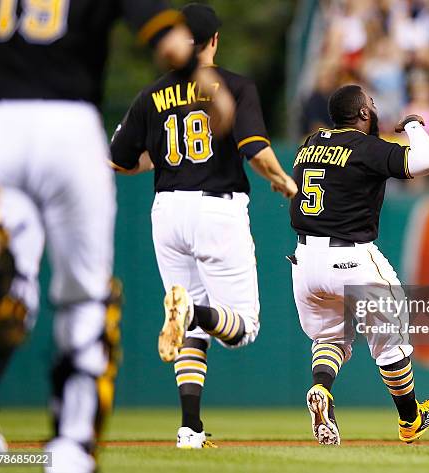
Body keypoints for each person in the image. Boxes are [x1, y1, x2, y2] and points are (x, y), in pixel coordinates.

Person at [0, 1, 202, 471]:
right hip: (70, 128)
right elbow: (170, 44)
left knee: (6, 274)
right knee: (85, 299)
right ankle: (71, 450)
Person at [110, 3, 297, 449]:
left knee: (190, 331)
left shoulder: (151, 94)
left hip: (167, 211)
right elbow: (254, 148)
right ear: (214, 40)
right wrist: (284, 180)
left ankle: (189, 429)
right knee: (242, 328)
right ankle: (191, 312)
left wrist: (161, 151)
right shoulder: (232, 85)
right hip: (216, 209)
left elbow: (120, 160)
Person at [289, 84, 429, 445]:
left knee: (329, 337)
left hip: (304, 259)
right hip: (350, 256)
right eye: (372, 105)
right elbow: (425, 162)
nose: (375, 110)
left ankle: (322, 391)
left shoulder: (310, 143)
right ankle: (411, 418)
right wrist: (413, 125)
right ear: (363, 114)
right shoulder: (363, 146)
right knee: (390, 340)